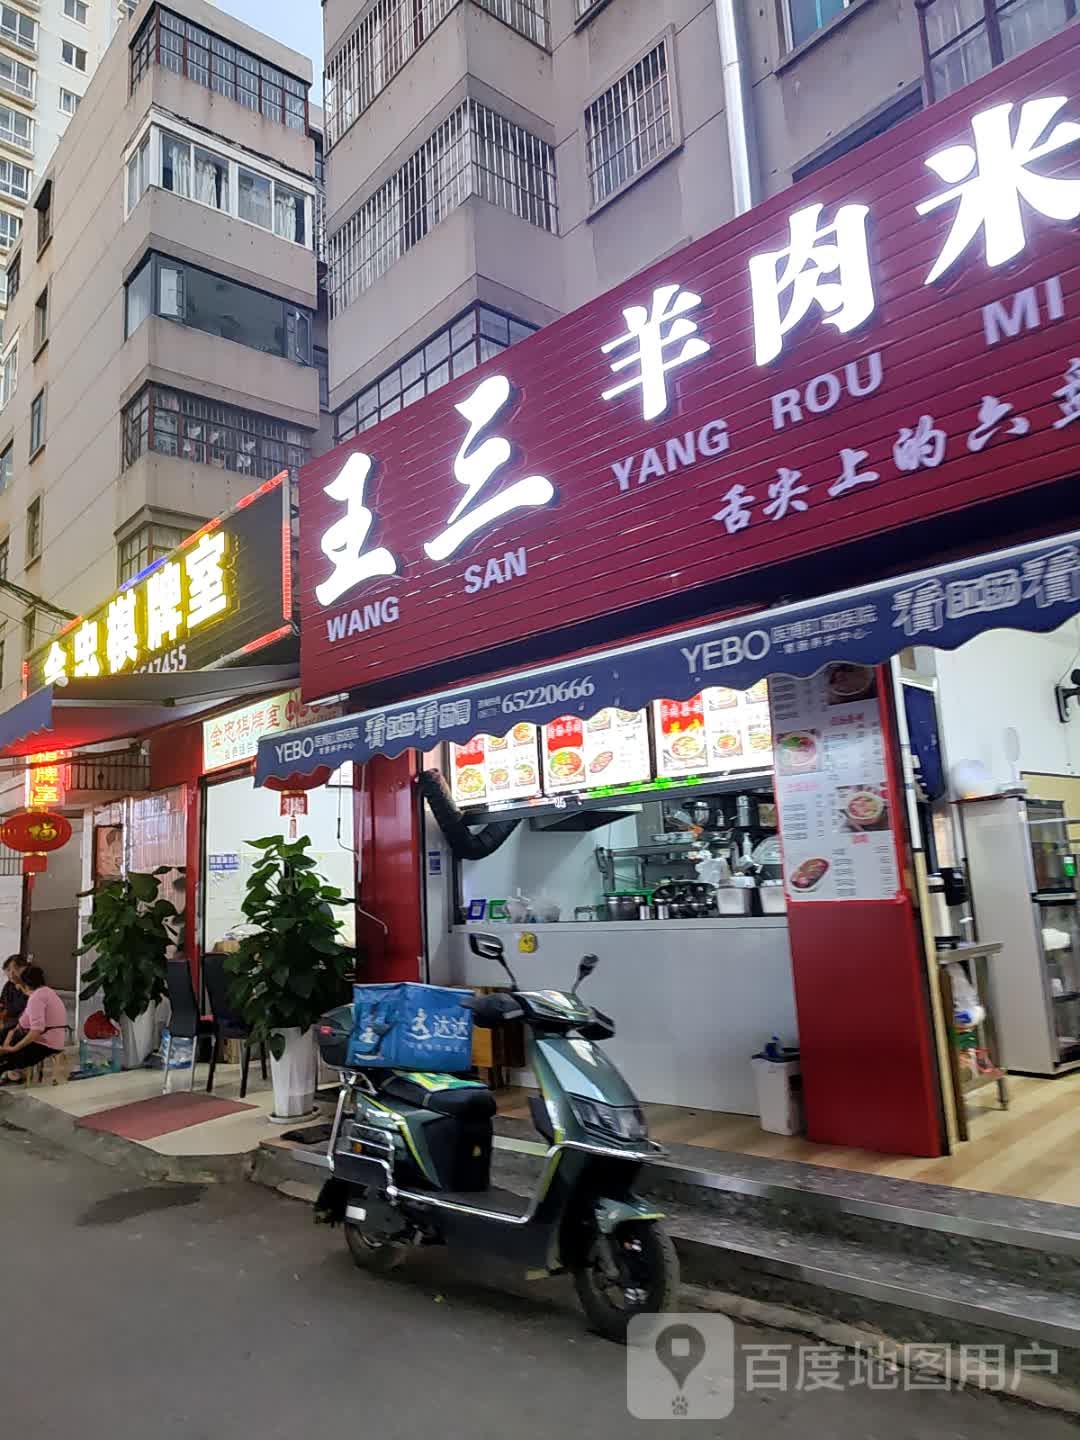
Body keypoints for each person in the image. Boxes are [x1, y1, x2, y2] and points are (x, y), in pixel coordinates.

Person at [0, 965, 67, 1080]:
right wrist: (9, 1040)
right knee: (5, 1034)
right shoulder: (46, 992)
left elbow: (36, 1031)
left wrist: (14, 1048)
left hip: (44, 1044)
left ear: (24, 983)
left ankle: (12, 1073)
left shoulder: (37, 998)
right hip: (49, 1040)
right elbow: (21, 1023)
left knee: (4, 1058)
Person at [0, 954, 26, 1043]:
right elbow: (2, 1003)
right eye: (8, 970)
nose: (11, 974)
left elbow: (25, 1013)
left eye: (15, 970)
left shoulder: (30, 986)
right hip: (8, 1018)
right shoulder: (9, 985)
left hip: (20, 1022)